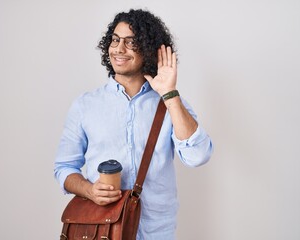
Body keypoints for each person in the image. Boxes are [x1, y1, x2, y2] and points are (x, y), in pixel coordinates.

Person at [54, 8, 213, 239]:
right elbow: (64, 168)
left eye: (131, 42)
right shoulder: (85, 105)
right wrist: (90, 190)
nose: (119, 48)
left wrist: (169, 93)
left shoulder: (170, 103)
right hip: (102, 230)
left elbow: (198, 156)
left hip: (156, 232)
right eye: (115, 40)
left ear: (148, 49)